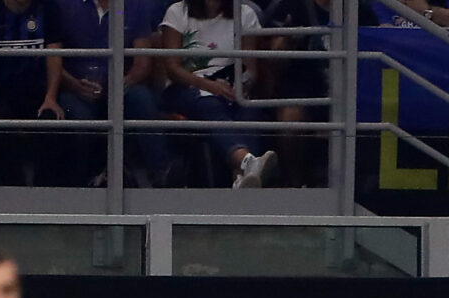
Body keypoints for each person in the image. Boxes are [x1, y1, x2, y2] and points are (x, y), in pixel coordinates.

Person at [51, 0, 174, 187]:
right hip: (75, 87)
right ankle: (79, 184)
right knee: (78, 117)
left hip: (121, 86)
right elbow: (52, 58)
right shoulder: (64, 4)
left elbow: (143, 61)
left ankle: (163, 174)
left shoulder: (135, 5)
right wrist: (74, 84)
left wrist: (125, 81)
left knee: (142, 99)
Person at [260, 0, 381, 186]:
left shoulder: (361, 9)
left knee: (375, 115)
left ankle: (362, 186)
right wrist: (286, 42)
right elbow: (270, 62)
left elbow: (375, 60)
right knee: (291, 119)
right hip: (304, 89)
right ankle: (295, 184)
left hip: (352, 92)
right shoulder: (289, 6)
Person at [158, 0, 278, 187]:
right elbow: (173, 69)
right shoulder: (177, 12)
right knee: (210, 104)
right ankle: (246, 161)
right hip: (185, 87)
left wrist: (240, 85)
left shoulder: (245, 14)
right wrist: (208, 85)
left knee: (249, 110)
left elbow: (250, 69)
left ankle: (242, 180)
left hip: (229, 87)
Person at [0, 0, 64, 185]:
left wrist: (51, 96)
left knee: (52, 123)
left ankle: (45, 192)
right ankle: (13, 188)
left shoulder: (48, 7)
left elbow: (54, 53)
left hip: (37, 92)